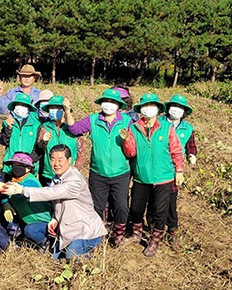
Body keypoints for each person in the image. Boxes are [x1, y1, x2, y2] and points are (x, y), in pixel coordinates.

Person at [0, 144, 106, 260]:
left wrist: (22, 190)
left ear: (69, 160)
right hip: (65, 228)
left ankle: (90, 255)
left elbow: (52, 192)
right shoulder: (57, 177)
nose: (56, 163)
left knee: (72, 256)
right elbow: (58, 202)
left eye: (60, 159)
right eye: (53, 159)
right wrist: (55, 218)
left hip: (84, 230)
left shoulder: (74, 179)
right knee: (55, 256)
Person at [65, 89, 132, 247]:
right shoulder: (93, 120)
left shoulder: (127, 121)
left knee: (121, 206)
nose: (109, 105)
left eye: (113, 102)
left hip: (121, 173)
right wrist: (67, 111)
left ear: (118, 105)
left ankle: (119, 235)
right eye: (106, 101)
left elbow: (134, 145)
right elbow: (75, 129)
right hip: (98, 173)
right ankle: (99, 234)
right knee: (97, 206)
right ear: (101, 103)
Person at [120, 93, 185, 257]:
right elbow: (131, 153)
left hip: (164, 177)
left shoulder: (166, 128)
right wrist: (127, 140)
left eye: (152, 105)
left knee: (160, 211)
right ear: (141, 109)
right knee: (136, 208)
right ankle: (137, 234)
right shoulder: (134, 128)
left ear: (158, 109)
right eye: (145, 106)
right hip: (142, 177)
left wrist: (179, 170)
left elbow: (176, 150)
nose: (149, 109)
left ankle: (154, 241)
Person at [159, 94, 196, 249]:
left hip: (175, 170)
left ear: (184, 111)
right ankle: (155, 229)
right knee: (155, 200)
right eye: (174, 106)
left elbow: (191, 146)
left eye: (180, 107)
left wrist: (191, 155)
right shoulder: (158, 121)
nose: (176, 109)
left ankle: (172, 230)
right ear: (168, 107)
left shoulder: (187, 129)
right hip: (156, 167)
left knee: (170, 201)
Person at [2, 152, 53, 252]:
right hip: (26, 219)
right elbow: (5, 194)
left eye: (21, 165)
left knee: (30, 230)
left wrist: (5, 190)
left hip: (42, 221)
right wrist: (5, 204)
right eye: (15, 165)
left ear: (28, 168)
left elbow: (19, 193)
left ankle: (45, 243)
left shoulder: (31, 182)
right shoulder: (14, 181)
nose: (16, 168)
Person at [36, 95, 83, 186]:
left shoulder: (74, 129)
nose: (54, 110)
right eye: (52, 108)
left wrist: (76, 169)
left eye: (57, 108)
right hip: (49, 174)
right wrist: (44, 141)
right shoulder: (45, 127)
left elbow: (81, 151)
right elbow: (40, 146)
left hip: (70, 175)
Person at [0, 93, 40, 178]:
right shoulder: (8, 122)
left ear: (29, 108)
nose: (21, 107)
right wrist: (8, 128)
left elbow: (39, 148)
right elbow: (4, 142)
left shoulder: (36, 125)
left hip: (28, 169)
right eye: (18, 104)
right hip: (10, 167)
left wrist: (28, 161)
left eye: (24, 105)